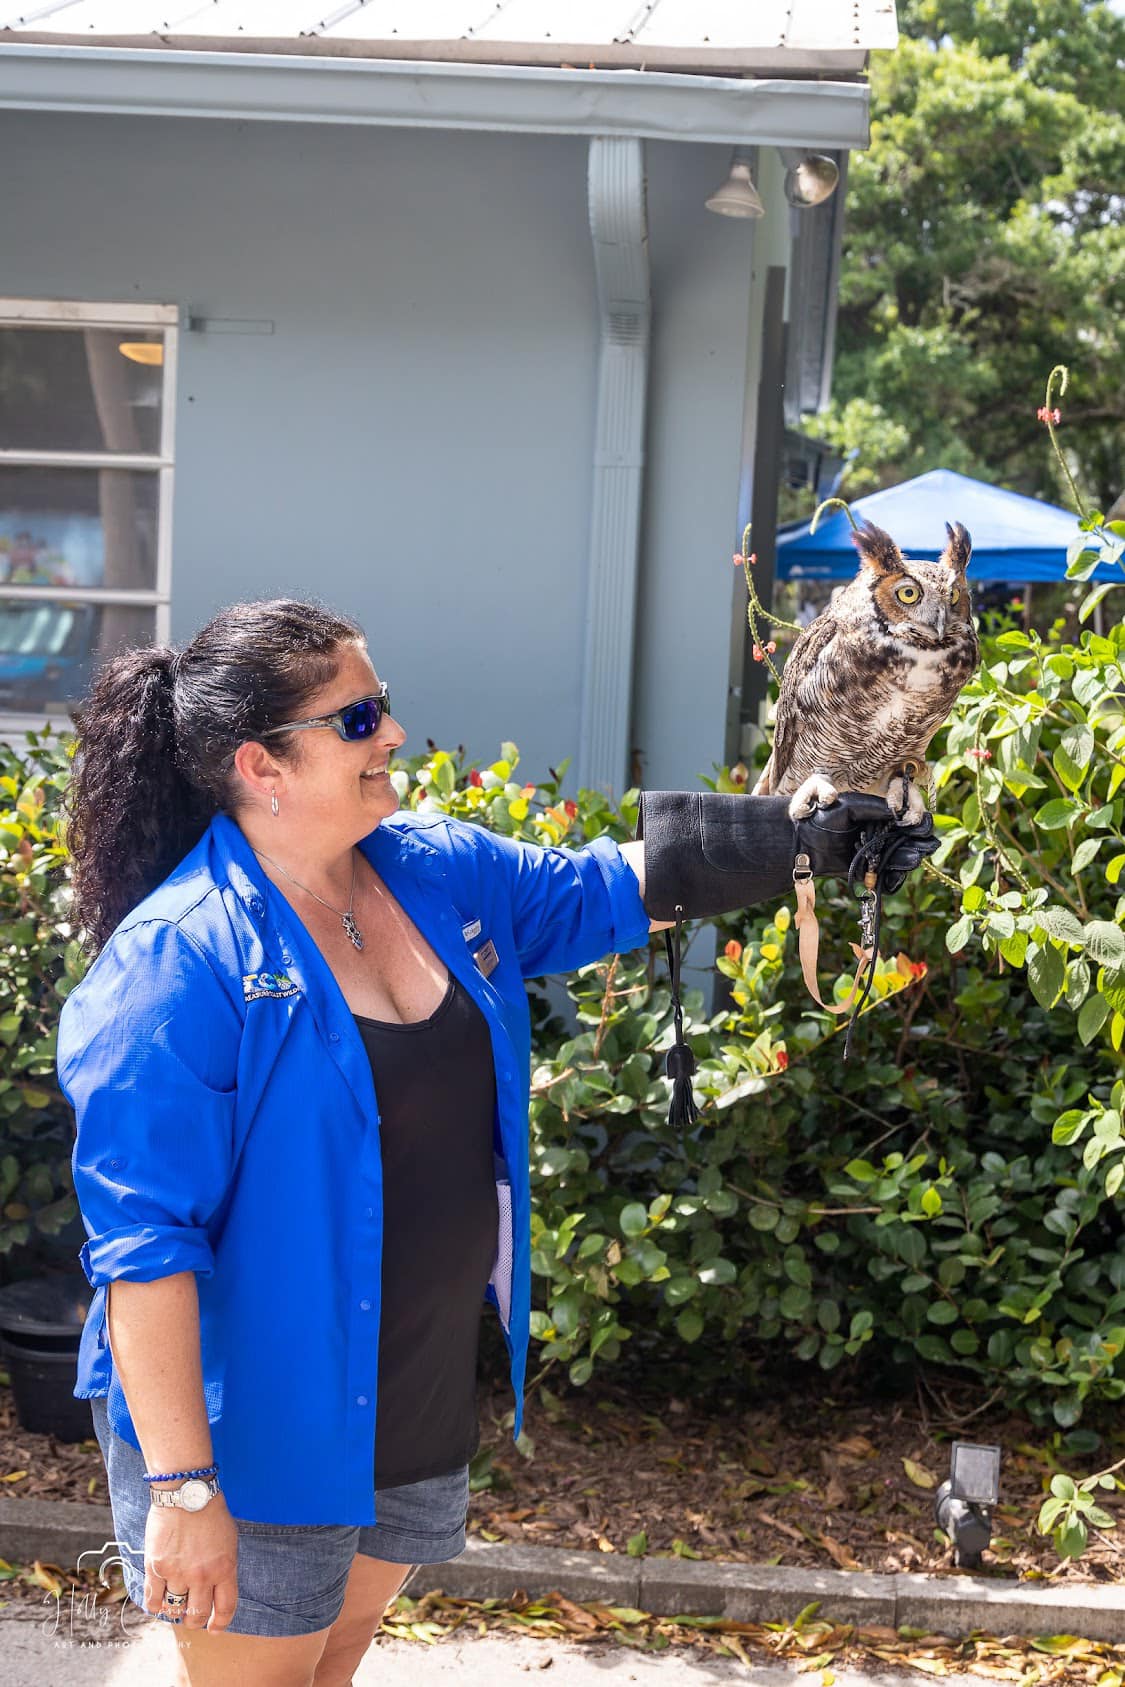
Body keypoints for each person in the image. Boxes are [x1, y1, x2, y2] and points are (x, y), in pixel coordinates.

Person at [57, 598, 936, 1687]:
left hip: (412, 1387)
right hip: (253, 1427)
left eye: (384, 706)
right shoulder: (176, 964)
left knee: (330, 1669)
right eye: (358, 717)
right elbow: (144, 1253)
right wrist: (187, 1490)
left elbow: (612, 885)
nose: (393, 735)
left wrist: (803, 838)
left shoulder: (435, 870)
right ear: (262, 765)